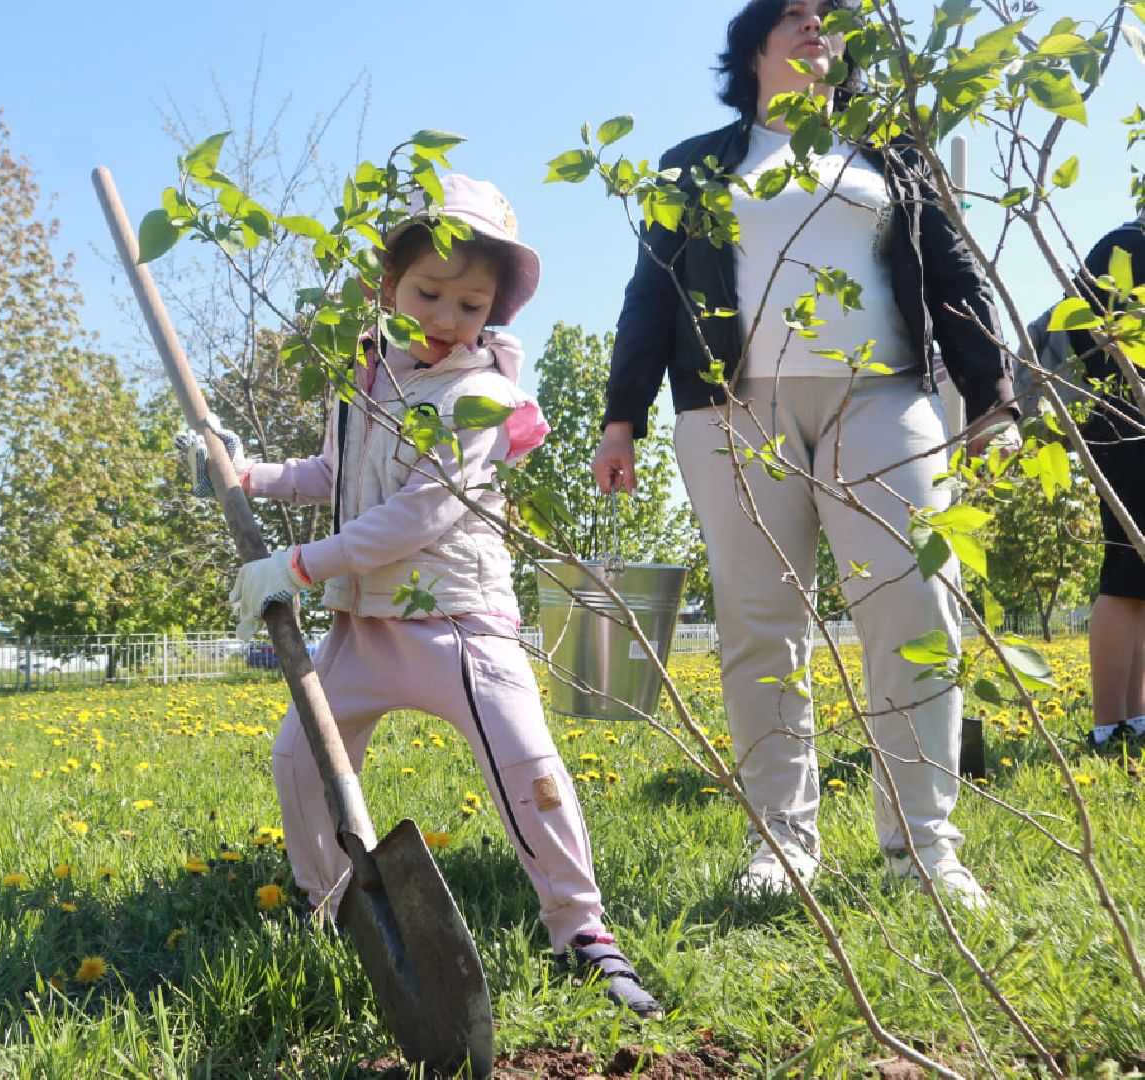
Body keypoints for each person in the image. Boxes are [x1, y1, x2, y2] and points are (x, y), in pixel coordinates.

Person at [181, 174, 663, 1017]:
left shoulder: (480, 399)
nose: (446, 318)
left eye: (471, 305)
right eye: (428, 293)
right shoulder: (364, 383)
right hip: (363, 630)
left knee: (527, 768)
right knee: (301, 760)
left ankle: (581, 929)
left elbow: (418, 514)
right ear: (387, 288)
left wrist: (296, 568)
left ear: (493, 315)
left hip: (458, 626)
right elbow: (333, 478)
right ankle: (331, 908)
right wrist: (241, 473)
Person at [591, 0, 1017, 910]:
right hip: (731, 409)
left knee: (914, 606)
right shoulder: (693, 166)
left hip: (885, 395)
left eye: (831, 15)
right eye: (794, 12)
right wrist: (618, 415)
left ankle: (924, 851)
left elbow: (952, 274)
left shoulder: (892, 150)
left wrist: (991, 398)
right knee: (758, 625)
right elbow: (649, 295)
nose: (816, 24)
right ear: (750, 46)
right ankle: (780, 848)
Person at [1070, 213, 1145, 750]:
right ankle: (1105, 727)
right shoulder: (1125, 244)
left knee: (1140, 578)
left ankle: (1135, 719)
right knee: (1125, 572)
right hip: (1124, 428)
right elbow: (1081, 326)